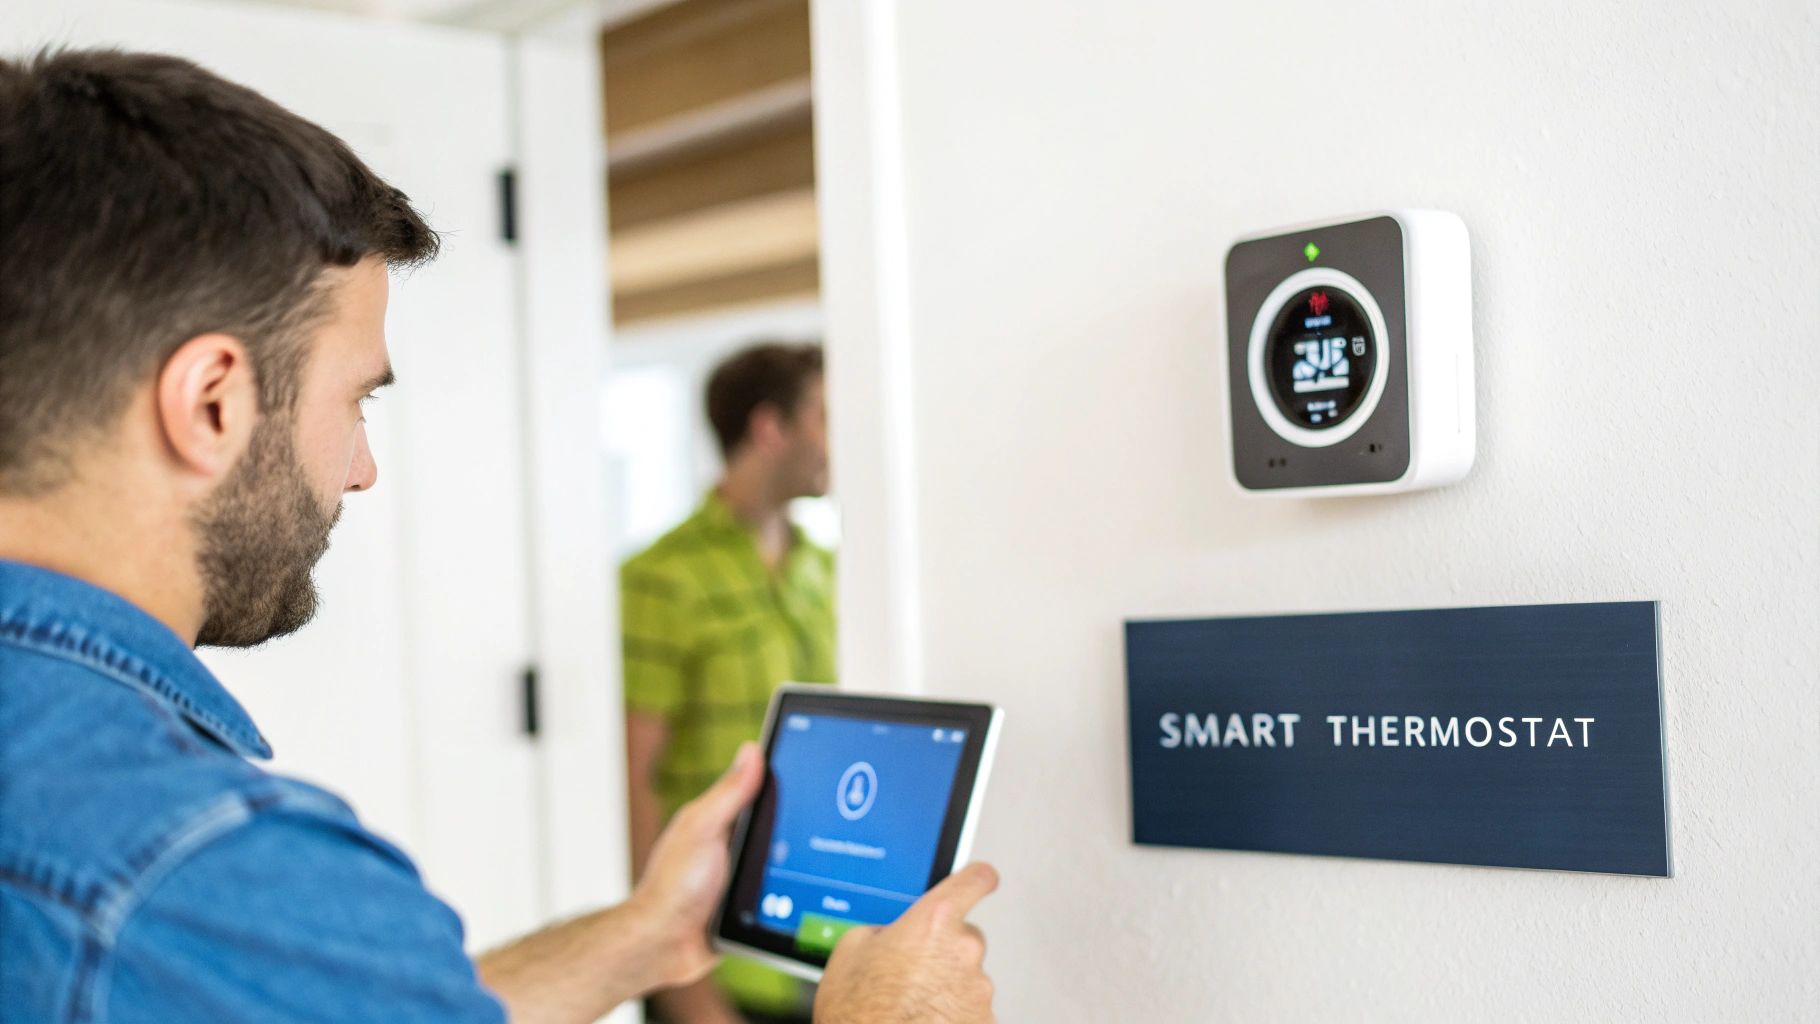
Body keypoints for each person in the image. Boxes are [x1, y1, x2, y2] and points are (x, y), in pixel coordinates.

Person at [0, 48, 997, 1023]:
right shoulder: (201, 870)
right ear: (212, 403)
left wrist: (648, 931)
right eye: (357, 400)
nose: (360, 467)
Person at [620, 343, 836, 1023]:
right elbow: (634, 780)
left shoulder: (827, 573)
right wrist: (681, 983)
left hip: (822, 945)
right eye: (826, 417)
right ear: (771, 428)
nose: (839, 440)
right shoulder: (659, 577)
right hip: (714, 964)